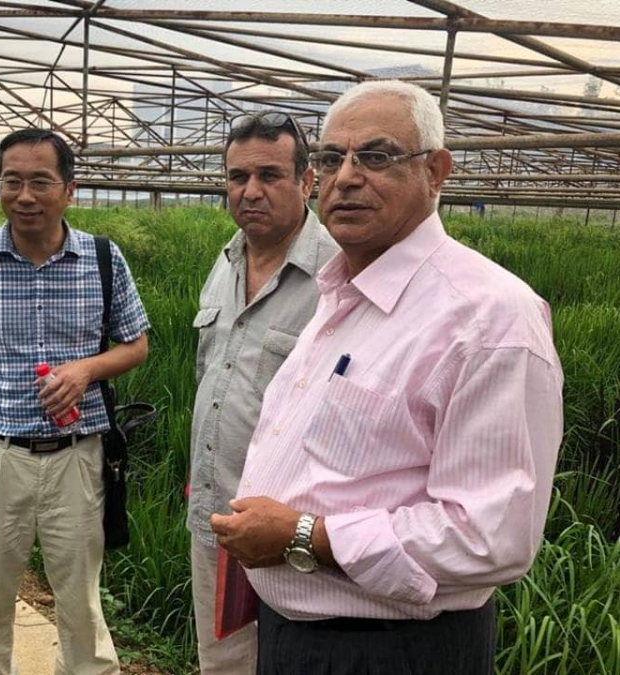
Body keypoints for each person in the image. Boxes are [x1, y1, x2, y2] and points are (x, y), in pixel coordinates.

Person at [211, 81, 563, 675]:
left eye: (376, 156)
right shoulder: (341, 292)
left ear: (436, 171)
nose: (346, 177)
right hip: (294, 635)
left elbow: (491, 536)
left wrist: (304, 535)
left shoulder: (488, 319)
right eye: (331, 158)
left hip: (389, 649)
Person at [0, 128, 149, 675]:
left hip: (76, 457)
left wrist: (86, 370)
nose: (24, 196)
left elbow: (136, 344)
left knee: (81, 603)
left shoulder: (103, 259)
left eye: (41, 181)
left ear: (69, 190)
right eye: (11, 181)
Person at [188, 111, 339, 674]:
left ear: (306, 182)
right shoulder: (225, 261)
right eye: (238, 177)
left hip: (295, 534)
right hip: (217, 512)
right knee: (223, 659)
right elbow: (212, 377)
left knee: (292, 660)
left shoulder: (340, 275)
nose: (250, 191)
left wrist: (308, 532)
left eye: (270, 175)